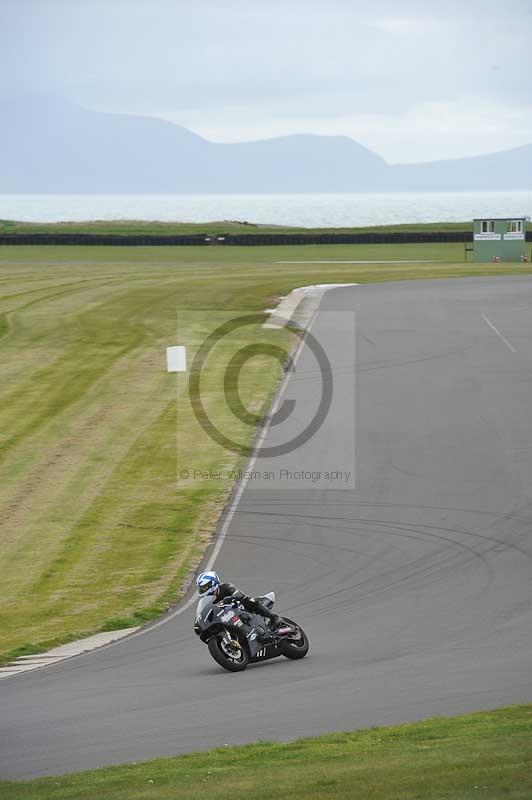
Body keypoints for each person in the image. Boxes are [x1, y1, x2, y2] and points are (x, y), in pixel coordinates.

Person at [195, 570, 288, 632]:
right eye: (201, 588)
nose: (202, 590)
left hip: (241, 609)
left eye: (204, 587)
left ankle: (274, 618)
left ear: (212, 583)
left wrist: (232, 597)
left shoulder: (226, 587)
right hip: (228, 617)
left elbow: (239, 594)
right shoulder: (210, 599)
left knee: (247, 600)